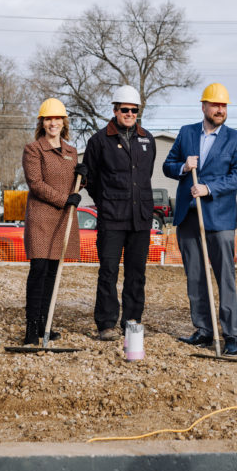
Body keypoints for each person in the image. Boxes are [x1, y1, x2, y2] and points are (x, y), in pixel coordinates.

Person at [162, 83, 237, 355]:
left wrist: (209, 189)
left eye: (223, 106)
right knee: (196, 277)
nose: (220, 109)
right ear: (204, 107)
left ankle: (230, 334)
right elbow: (168, 165)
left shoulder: (236, 139)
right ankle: (203, 329)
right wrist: (183, 167)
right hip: (189, 217)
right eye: (215, 105)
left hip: (219, 218)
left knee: (225, 277)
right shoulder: (187, 133)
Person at [83, 85, 156, 340]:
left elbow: (144, 176)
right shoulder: (99, 141)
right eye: (124, 109)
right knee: (109, 272)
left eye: (134, 110)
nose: (129, 114)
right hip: (112, 218)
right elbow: (90, 180)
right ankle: (106, 324)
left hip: (141, 219)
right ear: (115, 110)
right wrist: (105, 203)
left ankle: (132, 321)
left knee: (137, 273)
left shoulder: (147, 139)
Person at [21, 98, 84, 344]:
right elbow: (35, 183)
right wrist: (65, 199)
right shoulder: (33, 149)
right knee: (38, 271)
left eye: (57, 118)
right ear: (42, 123)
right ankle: (31, 328)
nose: (53, 123)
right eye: (48, 119)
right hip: (41, 218)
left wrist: (84, 177)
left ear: (63, 122)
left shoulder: (71, 151)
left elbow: (75, 186)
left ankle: (45, 324)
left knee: (53, 275)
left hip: (63, 221)